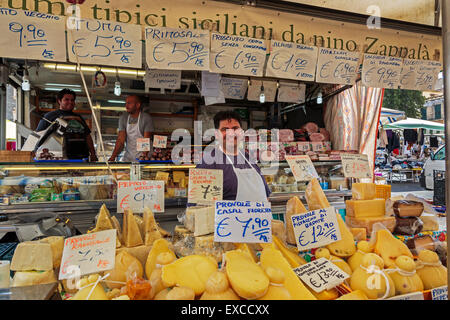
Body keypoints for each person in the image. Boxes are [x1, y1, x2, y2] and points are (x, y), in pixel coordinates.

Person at [196, 111, 271, 202]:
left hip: (259, 216)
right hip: (229, 216)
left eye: (235, 128)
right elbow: (199, 206)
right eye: (224, 129)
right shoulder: (208, 163)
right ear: (216, 134)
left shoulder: (248, 158)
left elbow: (265, 195)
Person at [35, 88, 97, 161]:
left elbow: (87, 136)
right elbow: (38, 136)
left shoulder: (78, 118)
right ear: (59, 101)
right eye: (66, 99)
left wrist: (93, 154)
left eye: (72, 100)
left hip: (81, 158)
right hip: (58, 159)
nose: (70, 102)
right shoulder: (49, 116)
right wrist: (35, 152)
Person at [109, 95, 154, 162]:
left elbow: (145, 141)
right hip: (128, 157)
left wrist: (143, 158)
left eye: (129, 103)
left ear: (138, 105)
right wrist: (112, 157)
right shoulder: (123, 118)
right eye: (126, 103)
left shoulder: (146, 118)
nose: (126, 106)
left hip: (144, 158)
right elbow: (121, 140)